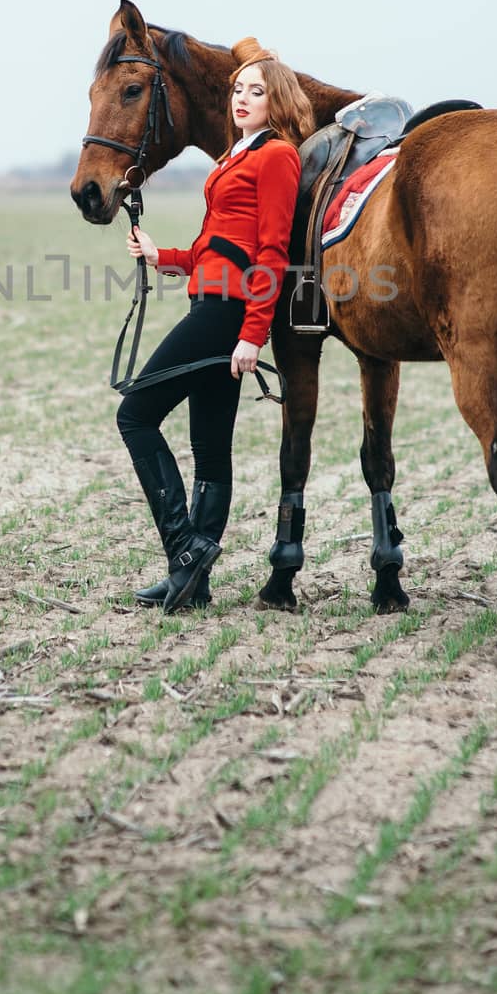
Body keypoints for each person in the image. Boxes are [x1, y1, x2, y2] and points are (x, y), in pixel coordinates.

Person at [117, 44, 314, 612]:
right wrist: (167, 256)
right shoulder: (234, 155)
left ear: (277, 101)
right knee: (208, 445)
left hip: (229, 311)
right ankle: (193, 582)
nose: (243, 99)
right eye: (237, 90)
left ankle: (184, 551)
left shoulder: (275, 156)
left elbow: (271, 250)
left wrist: (254, 332)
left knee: (134, 414)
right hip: (213, 296)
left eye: (257, 90)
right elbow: (218, 241)